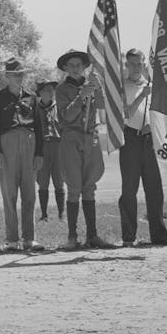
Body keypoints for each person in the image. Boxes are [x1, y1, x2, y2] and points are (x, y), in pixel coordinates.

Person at [55, 49, 115, 250]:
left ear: (84, 67)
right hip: (71, 137)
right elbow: (67, 116)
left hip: (91, 136)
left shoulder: (90, 85)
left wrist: (99, 89)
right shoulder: (62, 89)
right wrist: (81, 97)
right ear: (65, 68)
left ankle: (93, 235)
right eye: (71, 65)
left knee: (89, 186)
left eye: (78, 65)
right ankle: (72, 237)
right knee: (74, 187)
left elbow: (102, 106)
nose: (75, 69)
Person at [117, 49, 167, 247]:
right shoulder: (121, 87)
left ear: (144, 65)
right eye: (131, 64)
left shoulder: (152, 86)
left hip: (151, 140)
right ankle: (128, 236)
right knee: (129, 189)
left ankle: (159, 235)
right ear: (126, 65)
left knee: (155, 189)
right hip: (130, 138)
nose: (135, 67)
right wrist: (142, 96)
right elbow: (126, 114)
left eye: (139, 64)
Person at [0, 57, 43, 252]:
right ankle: (12, 239)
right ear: (7, 76)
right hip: (7, 142)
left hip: (29, 141)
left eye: (21, 74)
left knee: (29, 193)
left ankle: (30, 238)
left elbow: (39, 126)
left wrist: (39, 153)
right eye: (15, 74)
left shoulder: (31, 97)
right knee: (9, 193)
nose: (19, 77)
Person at [33, 79, 65, 222]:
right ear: (40, 93)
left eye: (52, 90)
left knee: (59, 180)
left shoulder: (59, 108)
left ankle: (61, 214)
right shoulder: (34, 110)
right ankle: (44, 214)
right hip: (42, 147)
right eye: (46, 90)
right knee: (43, 180)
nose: (50, 92)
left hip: (58, 146)